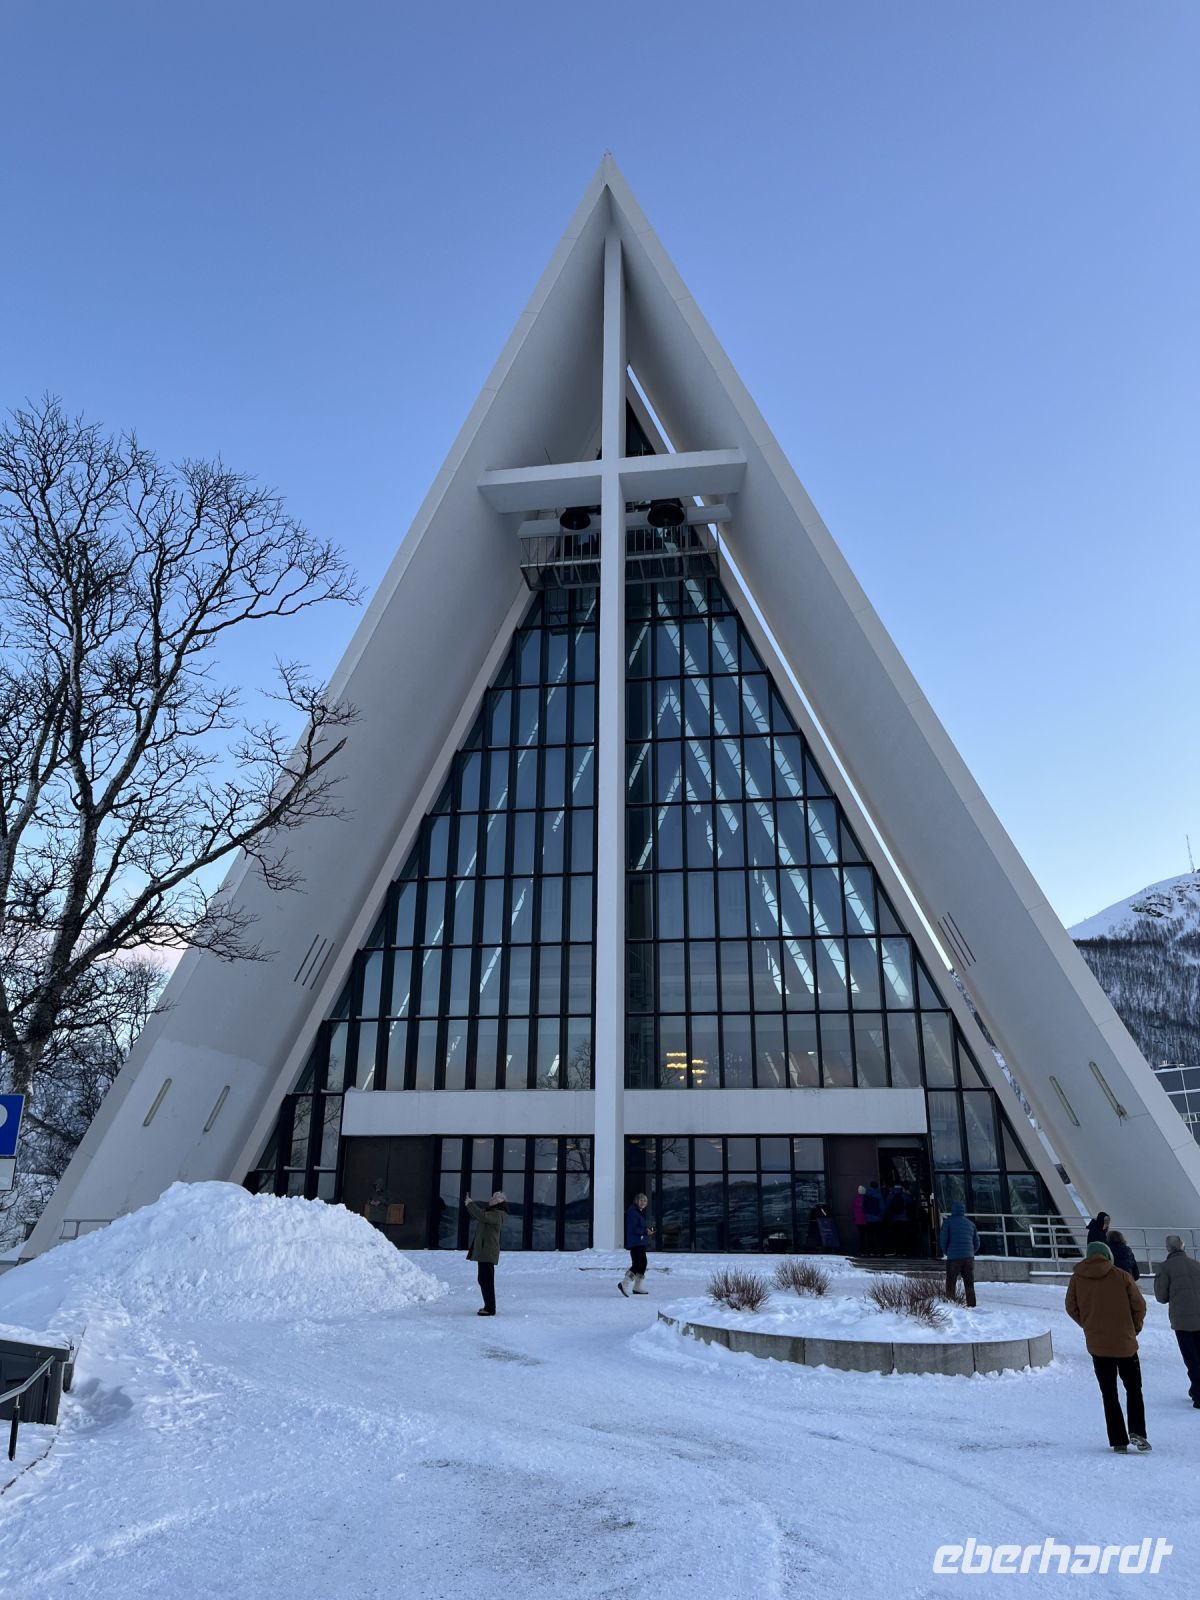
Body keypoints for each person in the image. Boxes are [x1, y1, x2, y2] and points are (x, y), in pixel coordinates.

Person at [1065, 1241, 1151, 1453]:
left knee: (1109, 1393)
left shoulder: (1077, 1278)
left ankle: (1118, 1440)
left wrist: (1088, 1325)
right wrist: (1134, 1328)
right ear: (1108, 1255)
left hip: (1098, 1345)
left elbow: (1071, 1307)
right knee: (1133, 1389)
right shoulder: (1121, 1276)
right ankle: (1137, 1432)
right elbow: (1139, 1306)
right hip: (1125, 1343)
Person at [1153, 1234, 1200, 1408]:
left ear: (1168, 1248)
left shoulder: (1165, 1268)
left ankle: (1198, 1394)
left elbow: (1161, 1296)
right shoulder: (1196, 1265)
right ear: (1183, 1246)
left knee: (1191, 1358)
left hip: (1182, 1320)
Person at [466, 1190, 507, 1316]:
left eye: (493, 1198)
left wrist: (470, 1204)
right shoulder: (492, 1213)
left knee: (486, 1280)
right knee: (483, 1279)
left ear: (499, 1201)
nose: (490, 1199)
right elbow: (479, 1215)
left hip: (487, 1252)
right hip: (485, 1252)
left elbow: (481, 1215)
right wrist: (469, 1205)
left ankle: (490, 1308)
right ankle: (488, 1306)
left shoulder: (497, 1214)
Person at [938, 1200, 979, 1307]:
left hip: (954, 1257)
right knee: (969, 1282)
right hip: (969, 1258)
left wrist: (946, 1251)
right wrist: (970, 1252)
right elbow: (977, 1243)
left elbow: (943, 1239)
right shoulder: (971, 1224)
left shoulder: (948, 1222)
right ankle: (972, 1305)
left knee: (951, 1281)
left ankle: (951, 1303)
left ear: (953, 1210)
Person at [619, 1192, 653, 1296]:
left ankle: (637, 1287)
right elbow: (633, 1228)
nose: (643, 1202)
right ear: (636, 1201)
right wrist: (645, 1231)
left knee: (643, 1263)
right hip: (635, 1242)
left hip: (640, 1241)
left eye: (645, 1201)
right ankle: (624, 1283)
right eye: (641, 1200)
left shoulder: (638, 1212)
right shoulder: (633, 1212)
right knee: (637, 1263)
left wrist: (646, 1230)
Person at [884, 1185, 911, 1258]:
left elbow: (887, 1207)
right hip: (904, 1219)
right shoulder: (905, 1196)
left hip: (894, 1219)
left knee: (895, 1236)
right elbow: (910, 1203)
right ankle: (904, 1251)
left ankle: (897, 1251)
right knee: (903, 1236)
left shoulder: (890, 1196)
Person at [862, 1181, 884, 1254]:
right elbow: (882, 1207)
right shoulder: (878, 1195)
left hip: (868, 1218)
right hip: (877, 1218)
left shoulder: (865, 1194)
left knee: (869, 1236)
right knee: (877, 1236)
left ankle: (870, 1251)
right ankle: (878, 1251)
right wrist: (881, 1215)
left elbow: (863, 1206)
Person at [852, 1185, 868, 1254]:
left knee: (861, 1236)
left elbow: (853, 1210)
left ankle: (861, 1250)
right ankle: (866, 1250)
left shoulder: (856, 1199)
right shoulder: (866, 1199)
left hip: (858, 1221)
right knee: (867, 1235)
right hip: (865, 1220)